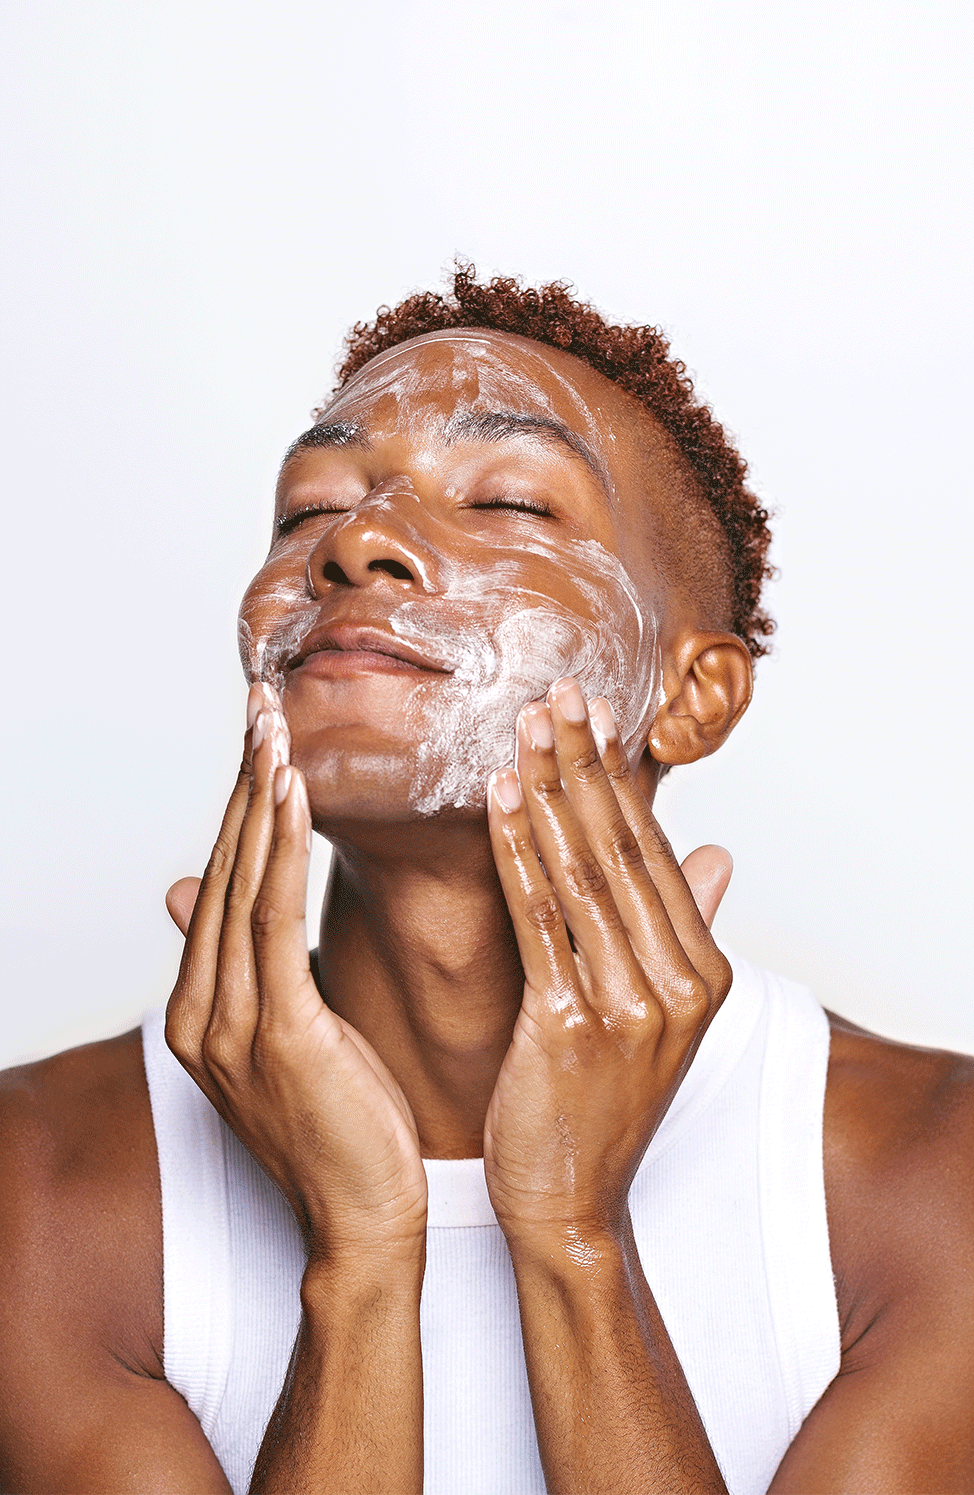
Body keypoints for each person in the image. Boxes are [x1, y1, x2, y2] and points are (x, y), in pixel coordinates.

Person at [1, 267, 972, 1495]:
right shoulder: (35, 1176)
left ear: (689, 695)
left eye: (509, 499)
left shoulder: (936, 1176)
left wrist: (572, 1236)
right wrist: (358, 1258)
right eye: (307, 509)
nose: (354, 544)